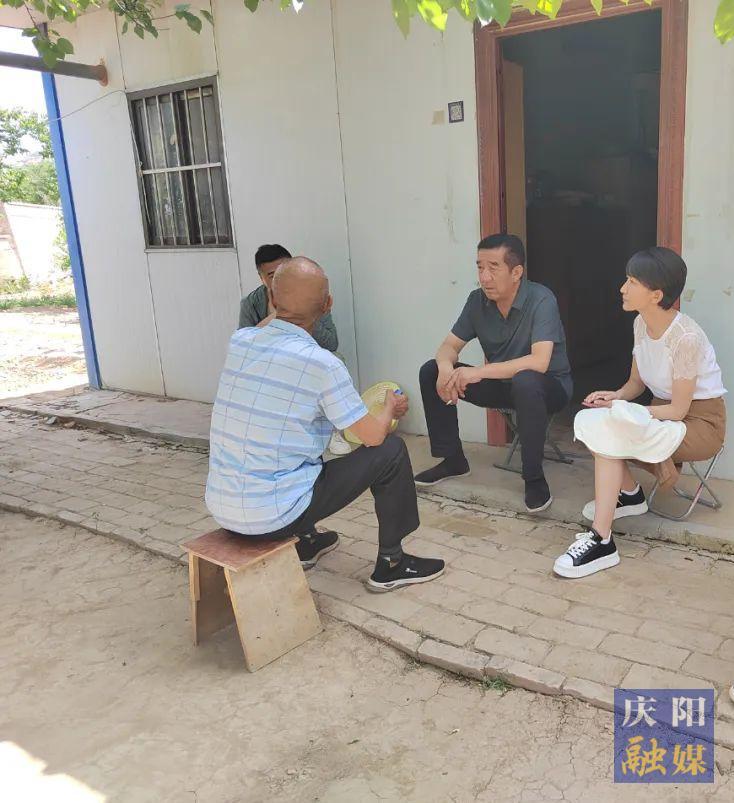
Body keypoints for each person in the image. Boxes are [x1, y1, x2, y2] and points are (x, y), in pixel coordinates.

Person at [207, 257, 445, 591]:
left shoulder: (240, 341)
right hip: (274, 517)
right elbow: (373, 437)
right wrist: (390, 408)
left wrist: (283, 301)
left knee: (296, 435)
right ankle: (392, 563)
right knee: (390, 451)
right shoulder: (323, 364)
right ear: (327, 305)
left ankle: (306, 541)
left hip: (223, 508)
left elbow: (273, 323)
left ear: (271, 299)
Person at [554, 247, 726, 579]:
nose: (623, 288)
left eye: (632, 282)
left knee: (612, 428)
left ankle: (601, 540)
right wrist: (616, 397)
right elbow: (635, 382)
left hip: (699, 423)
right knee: (591, 420)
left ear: (656, 295)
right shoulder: (640, 324)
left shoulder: (685, 338)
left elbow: (679, 409)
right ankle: (630, 496)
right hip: (665, 413)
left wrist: (626, 410)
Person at [415, 234, 573, 514]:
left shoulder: (541, 299)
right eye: (480, 267)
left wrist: (479, 372)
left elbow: (539, 362)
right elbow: (449, 346)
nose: (484, 277)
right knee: (430, 371)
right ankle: (453, 460)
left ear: (516, 272)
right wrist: (446, 368)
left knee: (526, 380)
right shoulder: (477, 301)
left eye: (493, 268)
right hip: (502, 384)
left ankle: (534, 478)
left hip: (548, 388)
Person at [238, 244, 339, 353]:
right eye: (272, 276)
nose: (281, 281)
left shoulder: (313, 295)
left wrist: (302, 315)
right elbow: (243, 348)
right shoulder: (250, 303)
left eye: (285, 273)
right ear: (261, 278)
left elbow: (331, 344)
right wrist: (278, 317)